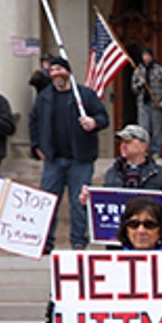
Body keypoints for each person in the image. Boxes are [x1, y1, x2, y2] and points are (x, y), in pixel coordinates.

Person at [28, 55, 109, 250]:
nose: (56, 73)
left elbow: (103, 117)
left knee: (78, 203)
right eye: (53, 70)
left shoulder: (85, 95)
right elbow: (34, 122)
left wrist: (94, 122)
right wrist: (37, 146)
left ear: (68, 72)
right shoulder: (44, 98)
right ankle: (45, 242)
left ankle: (79, 241)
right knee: (48, 202)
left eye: (60, 69)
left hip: (80, 159)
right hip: (53, 160)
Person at [105, 123, 162, 218]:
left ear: (143, 147)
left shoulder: (160, 174)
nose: (123, 145)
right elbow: (102, 204)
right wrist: (87, 201)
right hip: (118, 230)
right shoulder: (112, 173)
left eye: (128, 142)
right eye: (121, 142)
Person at [130, 47, 162, 156]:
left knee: (156, 130)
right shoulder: (138, 71)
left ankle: (156, 150)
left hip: (156, 104)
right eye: (144, 56)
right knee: (143, 129)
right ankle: (144, 151)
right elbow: (133, 88)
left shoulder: (160, 70)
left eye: (148, 55)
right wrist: (140, 84)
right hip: (143, 104)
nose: (146, 58)